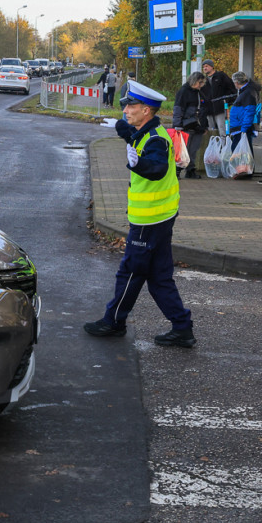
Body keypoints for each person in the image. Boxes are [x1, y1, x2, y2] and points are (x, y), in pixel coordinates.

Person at [84, 80, 195, 348]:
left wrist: (140, 164)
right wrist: (123, 129)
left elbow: (155, 168)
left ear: (146, 110)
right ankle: (182, 328)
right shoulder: (148, 131)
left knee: (131, 272)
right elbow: (134, 137)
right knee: (158, 277)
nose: (126, 110)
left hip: (149, 220)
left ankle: (113, 321)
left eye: (131, 106)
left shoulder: (155, 138)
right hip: (160, 216)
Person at [172, 71, 209, 179]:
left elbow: (203, 110)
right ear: (195, 81)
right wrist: (177, 125)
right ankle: (177, 170)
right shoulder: (184, 92)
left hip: (196, 125)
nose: (201, 86)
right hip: (186, 124)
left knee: (193, 149)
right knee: (183, 150)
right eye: (200, 83)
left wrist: (204, 126)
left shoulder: (198, 92)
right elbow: (178, 108)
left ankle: (190, 170)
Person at [226, 71, 258, 160]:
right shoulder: (246, 91)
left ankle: (242, 170)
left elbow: (249, 112)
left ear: (236, 82)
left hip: (241, 127)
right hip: (239, 127)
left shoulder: (248, 93)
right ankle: (244, 169)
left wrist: (244, 128)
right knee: (241, 149)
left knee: (239, 150)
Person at [200, 59, 235, 136]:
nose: (205, 68)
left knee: (222, 130)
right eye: (203, 67)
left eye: (206, 66)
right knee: (211, 132)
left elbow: (231, 89)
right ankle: (214, 147)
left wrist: (226, 101)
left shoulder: (221, 76)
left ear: (212, 67)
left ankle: (224, 146)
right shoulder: (203, 80)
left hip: (220, 109)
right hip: (209, 110)